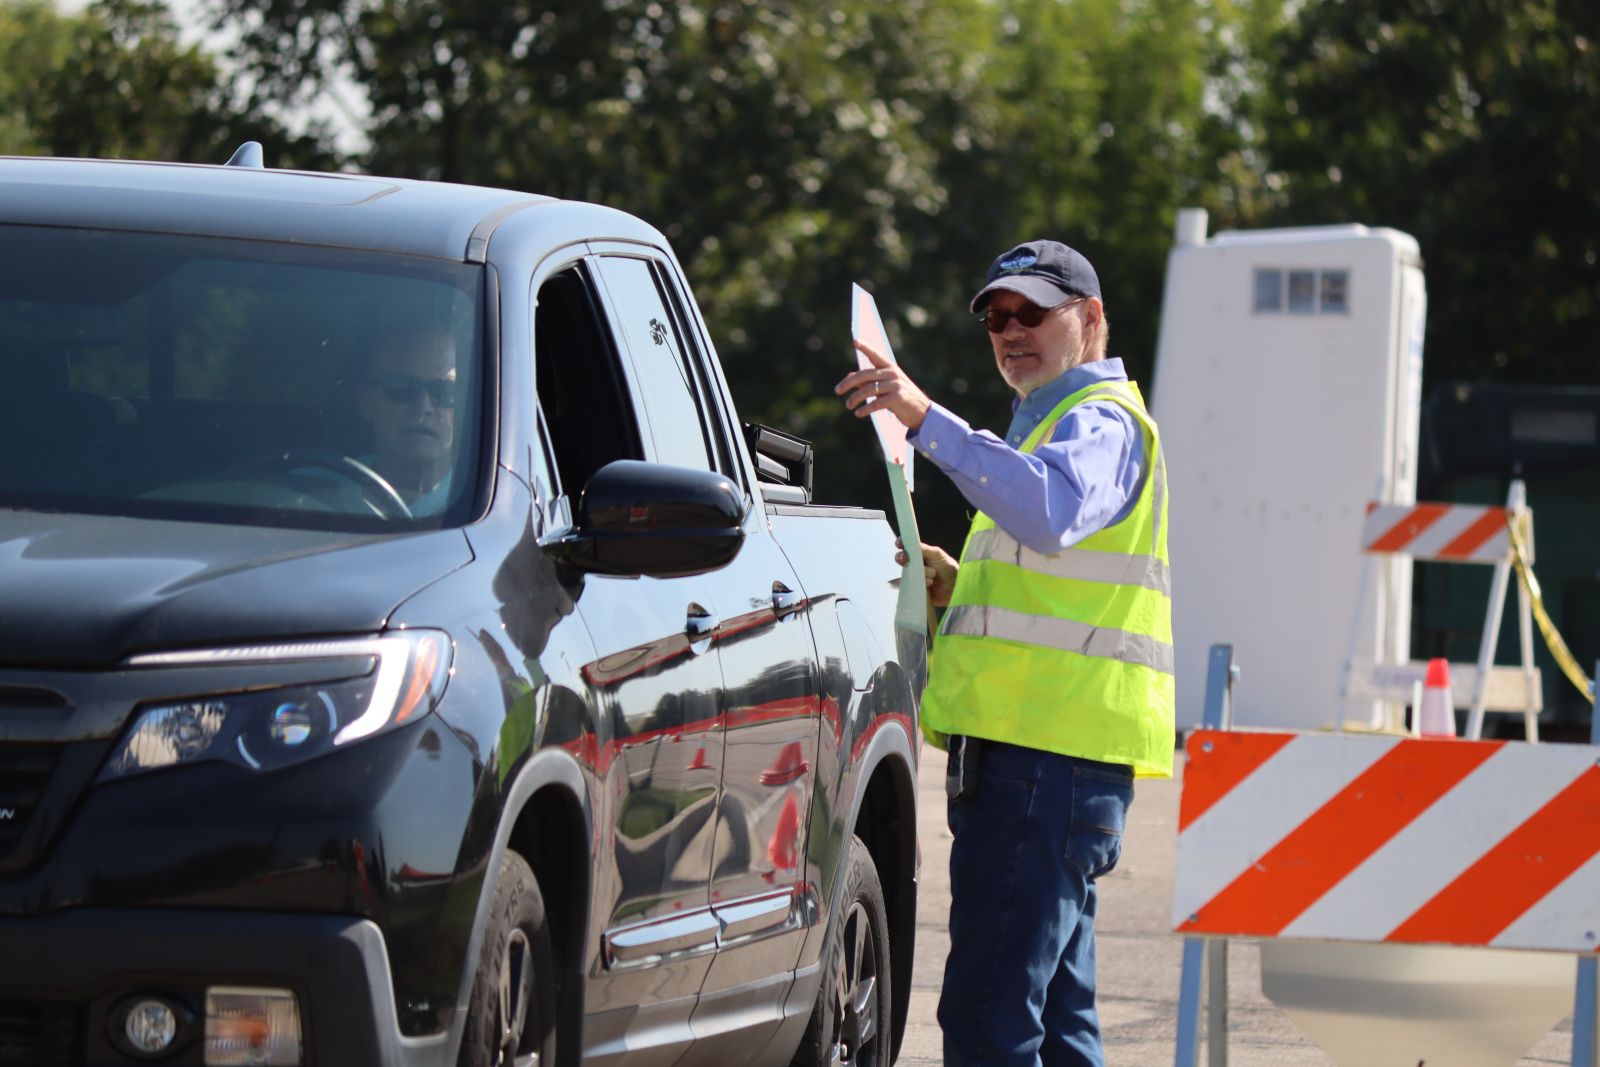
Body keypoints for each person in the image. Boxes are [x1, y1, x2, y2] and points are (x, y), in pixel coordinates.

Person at [834, 240, 1174, 1067]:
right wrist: (957, 584)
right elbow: (1049, 570)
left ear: (1090, 320)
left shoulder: (1098, 421)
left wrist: (925, 419)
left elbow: (1050, 510)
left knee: (990, 1017)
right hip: (1049, 767)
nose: (1009, 329)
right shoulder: (1054, 430)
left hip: (1043, 767)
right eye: (996, 315)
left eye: (1031, 311)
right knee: (1058, 1024)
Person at [356, 325, 459, 514]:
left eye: (443, 390)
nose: (423, 407)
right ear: (366, 402)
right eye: (401, 385)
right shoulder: (313, 492)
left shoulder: (483, 506)